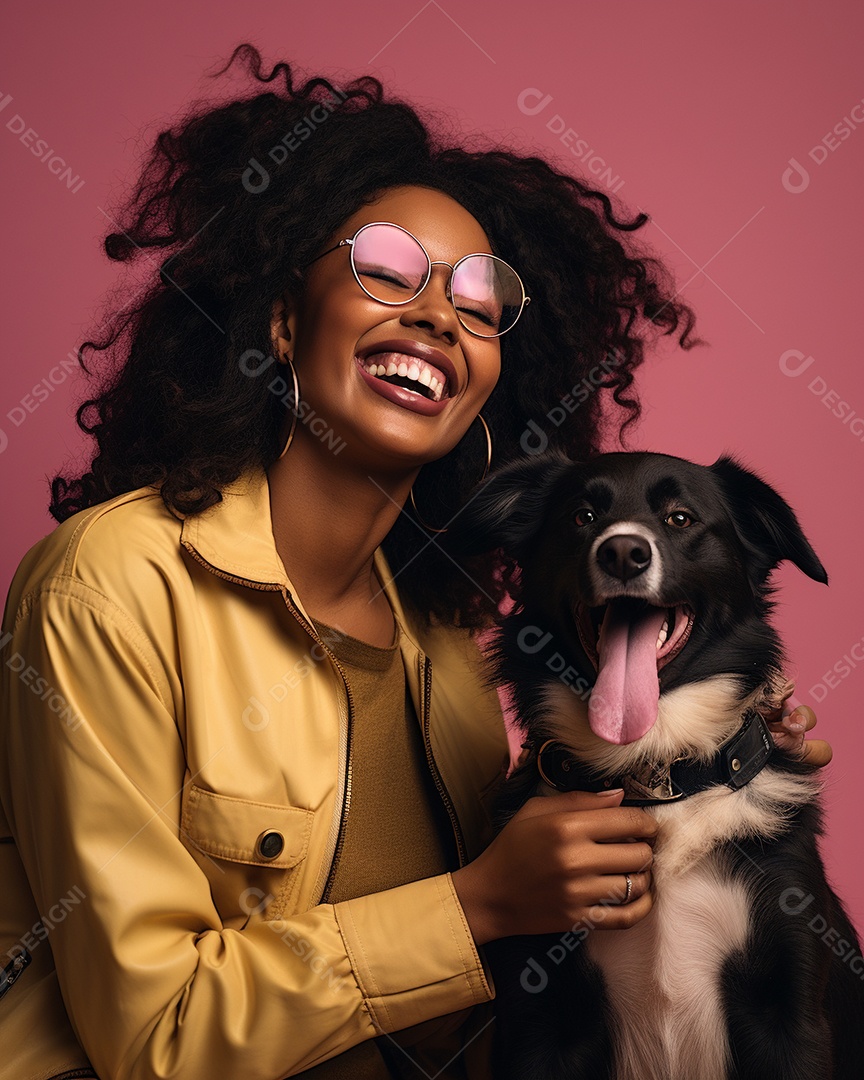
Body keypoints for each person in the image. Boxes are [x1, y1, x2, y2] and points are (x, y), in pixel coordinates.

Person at [0, 46, 831, 1080]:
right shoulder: (111, 586)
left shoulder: (449, 652)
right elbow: (154, 1029)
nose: (439, 313)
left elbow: (521, 1003)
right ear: (283, 318)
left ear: (493, 378)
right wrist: (475, 903)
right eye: (386, 270)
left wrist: (709, 745)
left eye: (482, 301)